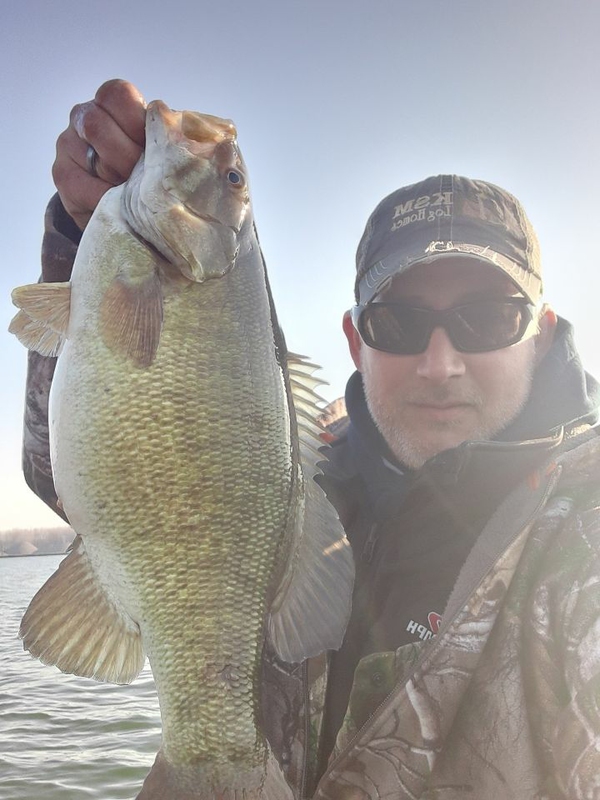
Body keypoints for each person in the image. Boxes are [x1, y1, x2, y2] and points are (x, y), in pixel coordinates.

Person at [21, 79, 600, 798]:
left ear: (540, 337)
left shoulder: (582, 535)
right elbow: (74, 474)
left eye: (487, 318)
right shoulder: (306, 473)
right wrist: (80, 244)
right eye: (400, 322)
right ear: (356, 342)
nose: (441, 363)